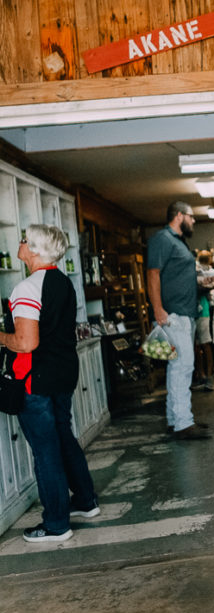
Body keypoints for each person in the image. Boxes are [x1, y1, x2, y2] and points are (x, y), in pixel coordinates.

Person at [0, 225, 99, 543]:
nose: (21, 243)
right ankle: (85, 501)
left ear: (35, 250)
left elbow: (26, 343)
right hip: (62, 373)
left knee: (45, 451)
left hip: (36, 378)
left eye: (25, 240)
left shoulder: (27, 288)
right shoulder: (62, 282)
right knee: (63, 437)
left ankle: (56, 523)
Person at [146, 202, 210, 440]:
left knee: (180, 367)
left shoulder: (178, 241)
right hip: (172, 315)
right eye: (191, 217)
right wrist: (158, 309)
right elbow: (153, 273)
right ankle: (183, 423)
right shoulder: (162, 239)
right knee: (182, 367)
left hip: (185, 313)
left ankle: (176, 419)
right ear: (179, 216)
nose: (193, 222)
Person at [194, 249, 214, 391]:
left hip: (202, 310)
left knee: (204, 344)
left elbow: (210, 286)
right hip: (194, 310)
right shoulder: (196, 269)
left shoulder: (210, 271)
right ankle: (202, 375)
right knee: (198, 345)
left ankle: (208, 376)